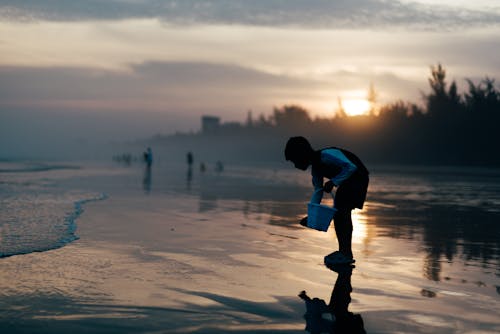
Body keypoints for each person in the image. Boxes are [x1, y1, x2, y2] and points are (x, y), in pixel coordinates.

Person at [285, 136, 369, 266]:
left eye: (294, 160)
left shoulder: (326, 155)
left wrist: (334, 182)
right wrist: (313, 216)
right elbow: (318, 191)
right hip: (346, 182)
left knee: (341, 212)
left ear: (302, 154)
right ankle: (344, 252)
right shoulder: (316, 169)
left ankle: (345, 253)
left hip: (358, 177)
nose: (295, 165)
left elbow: (351, 167)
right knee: (340, 211)